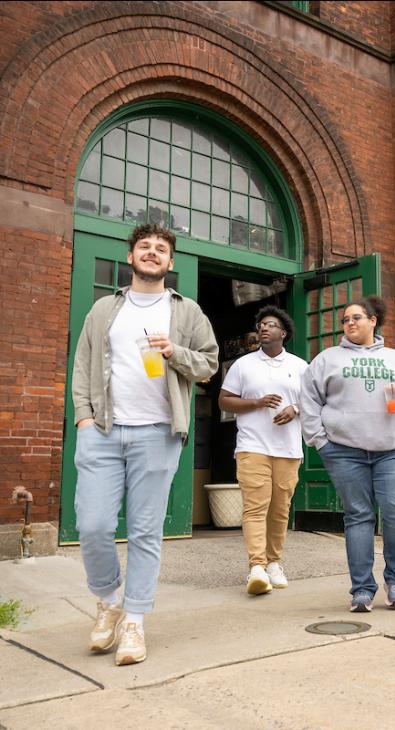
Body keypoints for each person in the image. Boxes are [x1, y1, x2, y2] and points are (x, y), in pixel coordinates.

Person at [72, 223, 218, 665]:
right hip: (102, 430)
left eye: (160, 249)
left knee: (144, 531)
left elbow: (210, 364)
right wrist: (82, 416)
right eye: (144, 247)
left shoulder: (187, 312)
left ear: (170, 263)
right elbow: (83, 362)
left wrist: (176, 352)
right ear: (131, 257)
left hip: (157, 431)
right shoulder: (104, 309)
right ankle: (107, 601)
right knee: (93, 525)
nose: (152, 253)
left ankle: (134, 620)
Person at [299, 296, 395, 612]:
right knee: (358, 516)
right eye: (345, 320)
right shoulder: (327, 359)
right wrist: (321, 443)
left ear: (374, 320)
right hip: (344, 452)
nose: (349, 323)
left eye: (356, 317)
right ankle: (361, 589)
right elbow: (309, 402)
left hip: (393, 450)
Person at [219, 306, 308, 595]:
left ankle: (274, 563)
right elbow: (225, 401)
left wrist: (295, 409)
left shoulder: (299, 366)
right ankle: (256, 567)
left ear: (283, 332)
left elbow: (315, 402)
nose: (263, 328)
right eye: (260, 325)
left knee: (280, 510)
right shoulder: (243, 365)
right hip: (252, 446)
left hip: (288, 449)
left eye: (270, 324)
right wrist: (256, 403)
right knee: (255, 507)